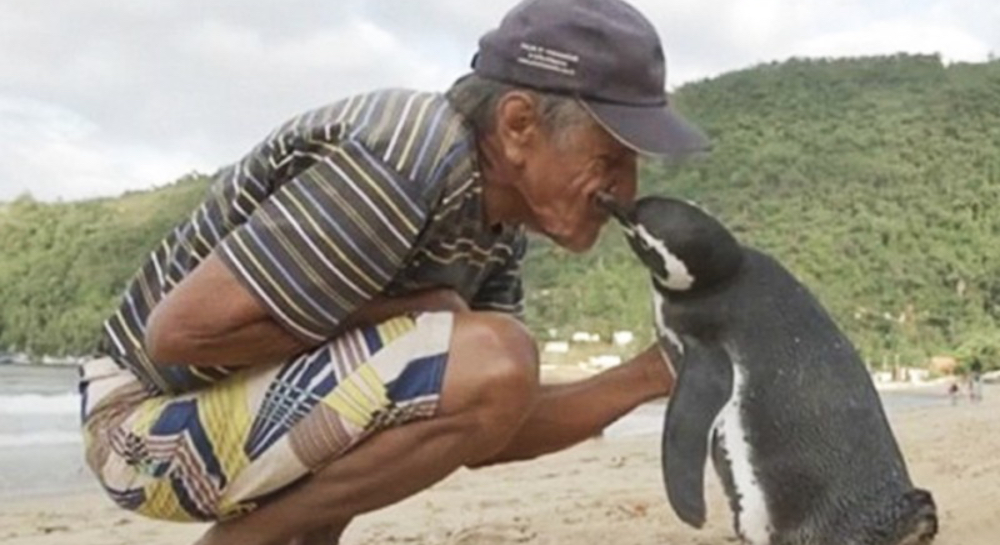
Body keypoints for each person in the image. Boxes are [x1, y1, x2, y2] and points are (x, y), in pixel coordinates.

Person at [78, 1, 710, 543]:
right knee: (491, 350)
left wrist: (653, 373)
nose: (625, 189)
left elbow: (489, 424)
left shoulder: (495, 230)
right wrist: (414, 313)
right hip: (140, 429)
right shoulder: (406, 152)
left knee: (492, 358)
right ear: (518, 125)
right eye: (611, 157)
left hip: (213, 424)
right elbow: (178, 337)